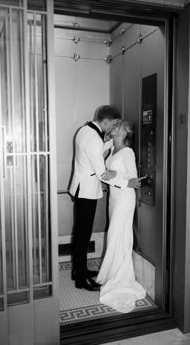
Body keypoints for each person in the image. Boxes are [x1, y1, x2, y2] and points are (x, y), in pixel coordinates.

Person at [69, 106, 140, 291]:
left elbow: (100, 150)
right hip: (87, 191)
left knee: (81, 233)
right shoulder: (93, 138)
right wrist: (126, 183)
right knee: (83, 235)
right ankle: (81, 278)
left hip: (83, 188)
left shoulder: (84, 131)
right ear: (106, 121)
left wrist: (111, 143)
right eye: (113, 124)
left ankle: (79, 270)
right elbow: (102, 173)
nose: (112, 128)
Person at [96, 119, 146, 312]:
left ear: (126, 132)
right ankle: (111, 274)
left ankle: (120, 279)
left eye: (118, 126)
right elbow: (109, 168)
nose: (114, 128)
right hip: (114, 198)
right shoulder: (112, 150)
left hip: (125, 199)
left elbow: (134, 180)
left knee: (119, 236)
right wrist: (108, 142)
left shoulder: (127, 152)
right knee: (114, 236)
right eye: (113, 125)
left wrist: (112, 176)